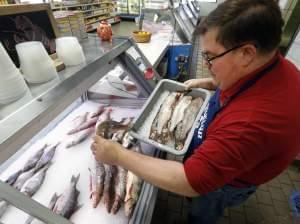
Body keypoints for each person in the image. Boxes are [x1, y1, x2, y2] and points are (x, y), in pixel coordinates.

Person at [91, 0, 300, 223]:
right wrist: (212, 82)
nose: (206, 63)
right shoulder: (276, 66)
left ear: (247, 53)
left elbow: (191, 182)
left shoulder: (250, 123)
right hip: (219, 144)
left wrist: (118, 155)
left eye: (210, 57)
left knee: (203, 210)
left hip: (224, 185)